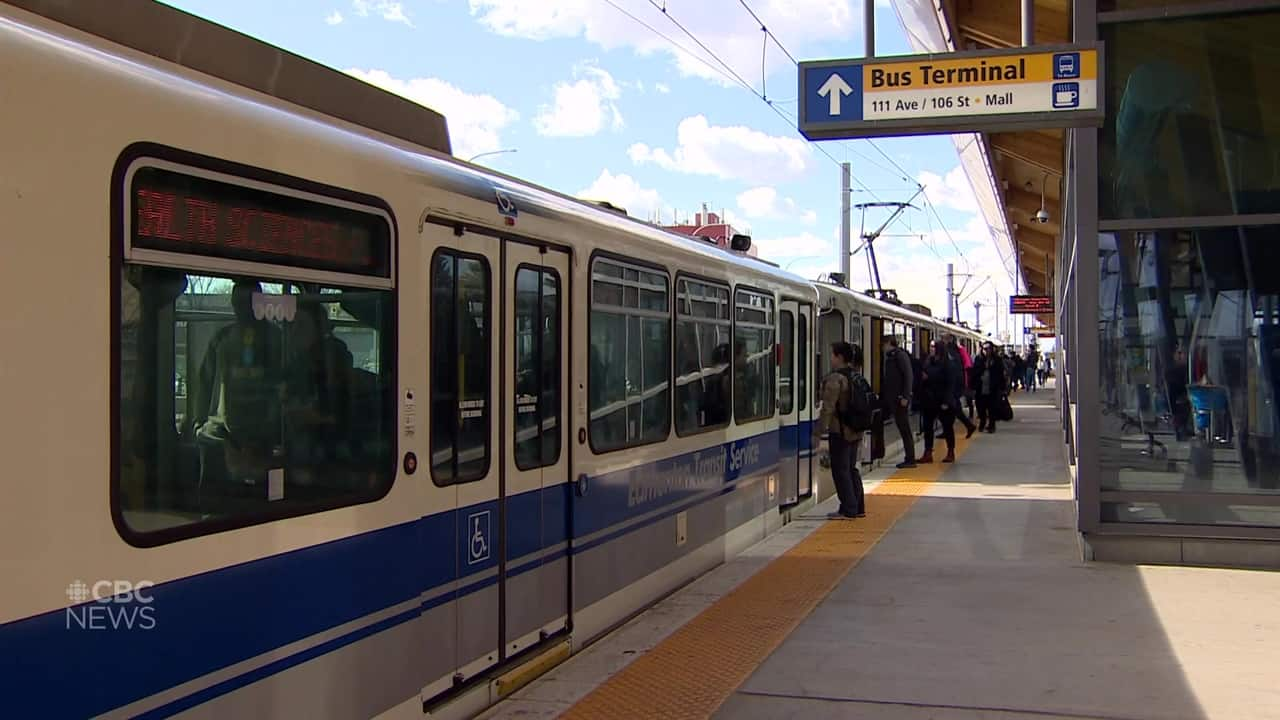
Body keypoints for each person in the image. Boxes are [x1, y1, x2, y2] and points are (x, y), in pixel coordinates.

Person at [816, 341, 866, 519]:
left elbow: (827, 408)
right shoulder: (855, 375)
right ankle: (859, 507)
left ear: (840, 357)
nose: (831, 359)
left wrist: (818, 433)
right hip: (856, 430)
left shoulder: (835, 379)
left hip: (840, 431)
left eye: (832, 355)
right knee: (851, 468)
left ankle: (848, 508)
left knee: (840, 470)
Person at [917, 340, 957, 463]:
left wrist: (946, 401)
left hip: (942, 400)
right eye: (930, 346)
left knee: (947, 426)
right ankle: (928, 452)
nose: (931, 349)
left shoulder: (947, 363)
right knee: (927, 427)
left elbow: (950, 383)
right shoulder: (928, 361)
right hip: (929, 400)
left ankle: (950, 451)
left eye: (933, 347)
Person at [881, 334, 916, 468]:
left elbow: (908, 376)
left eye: (884, 344)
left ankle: (910, 459)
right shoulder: (891, 357)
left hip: (900, 399)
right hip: (893, 399)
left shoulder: (899, 356)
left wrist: (905, 396)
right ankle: (909, 458)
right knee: (902, 428)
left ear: (890, 343)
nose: (882, 347)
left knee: (905, 429)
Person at [943, 333, 977, 438]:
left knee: (954, 409)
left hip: (954, 386)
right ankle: (966, 426)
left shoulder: (952, 353)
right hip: (957, 385)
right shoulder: (956, 351)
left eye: (944, 339)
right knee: (953, 410)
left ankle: (968, 426)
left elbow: (955, 371)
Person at [972, 342, 1008, 433]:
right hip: (981, 388)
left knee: (992, 408)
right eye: (984, 349)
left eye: (988, 349)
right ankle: (982, 422)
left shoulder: (997, 360)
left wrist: (1003, 388)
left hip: (993, 388)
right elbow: (974, 373)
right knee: (980, 407)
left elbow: (1001, 374)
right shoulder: (978, 359)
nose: (986, 351)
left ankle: (991, 425)